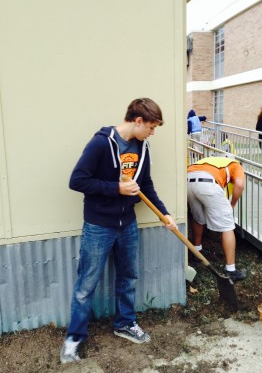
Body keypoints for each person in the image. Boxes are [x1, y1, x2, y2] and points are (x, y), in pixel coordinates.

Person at [60, 98, 177, 364]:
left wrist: (165, 213)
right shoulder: (102, 143)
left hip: (128, 225)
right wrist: (116, 188)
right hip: (99, 225)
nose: (152, 132)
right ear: (138, 121)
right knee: (86, 284)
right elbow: (77, 180)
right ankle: (74, 339)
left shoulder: (142, 147)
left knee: (128, 276)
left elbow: (145, 185)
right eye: (151, 127)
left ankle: (124, 323)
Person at [187, 156, 247, 282]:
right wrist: (232, 204)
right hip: (208, 183)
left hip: (188, 181)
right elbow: (240, 185)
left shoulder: (212, 161)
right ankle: (231, 270)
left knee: (198, 217)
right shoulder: (236, 165)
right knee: (227, 226)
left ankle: (198, 252)